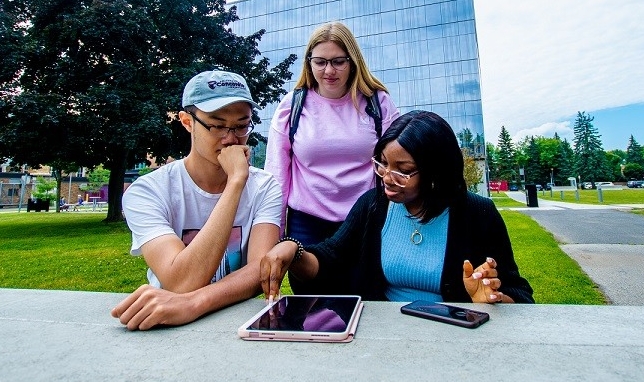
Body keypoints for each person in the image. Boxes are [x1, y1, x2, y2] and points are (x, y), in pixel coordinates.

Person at [261, 110, 534, 304]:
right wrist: (293, 250)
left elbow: (520, 294)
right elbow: (330, 259)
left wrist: (493, 298)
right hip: (384, 340)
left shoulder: (479, 214)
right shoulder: (372, 206)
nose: (387, 179)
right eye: (382, 164)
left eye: (403, 171)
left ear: (437, 173)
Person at [111, 70, 282, 330]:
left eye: (241, 125)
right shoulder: (147, 191)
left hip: (237, 322)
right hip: (165, 326)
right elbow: (180, 282)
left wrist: (193, 303)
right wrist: (235, 184)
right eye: (217, 124)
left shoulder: (265, 186)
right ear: (187, 121)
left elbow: (261, 270)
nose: (230, 138)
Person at [264, 21, 400, 293]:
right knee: (311, 302)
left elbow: (396, 163)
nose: (328, 70)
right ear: (309, 63)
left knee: (365, 296)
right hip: (307, 222)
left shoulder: (378, 102)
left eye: (338, 61)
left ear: (353, 61)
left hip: (364, 218)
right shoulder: (291, 106)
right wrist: (275, 236)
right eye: (320, 62)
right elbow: (277, 177)